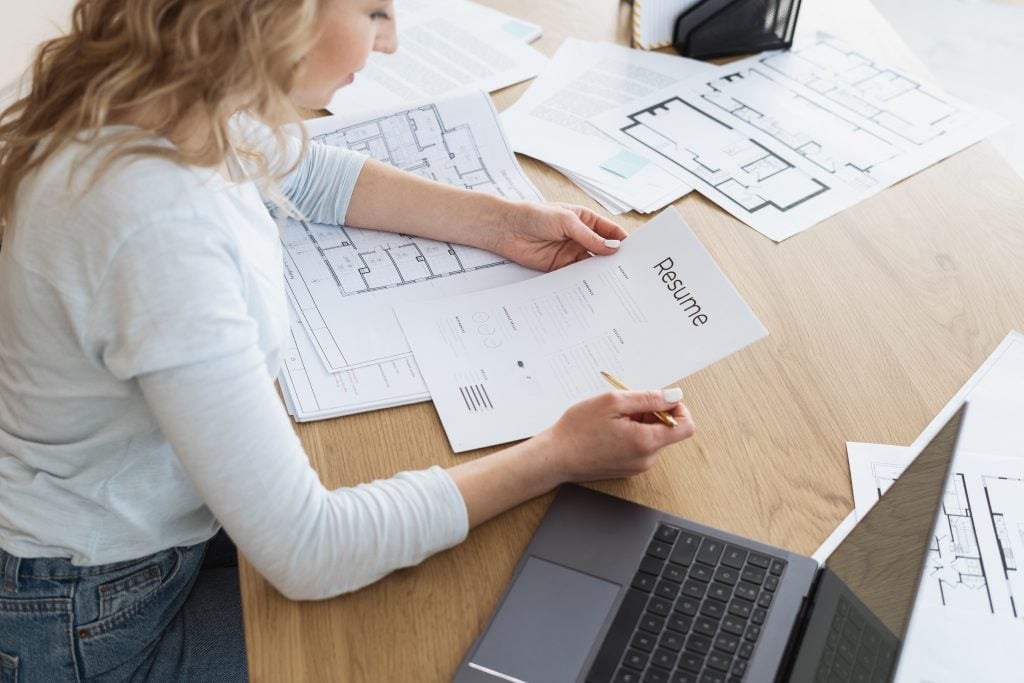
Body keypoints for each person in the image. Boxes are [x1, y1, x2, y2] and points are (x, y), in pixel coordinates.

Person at [0, 0, 695, 680]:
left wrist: (501, 222)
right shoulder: (155, 230)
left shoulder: (163, 91)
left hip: (146, 523)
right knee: (453, 627)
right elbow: (312, 551)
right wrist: (557, 453)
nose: (391, 41)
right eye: (373, 12)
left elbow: (307, 171)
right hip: (90, 614)